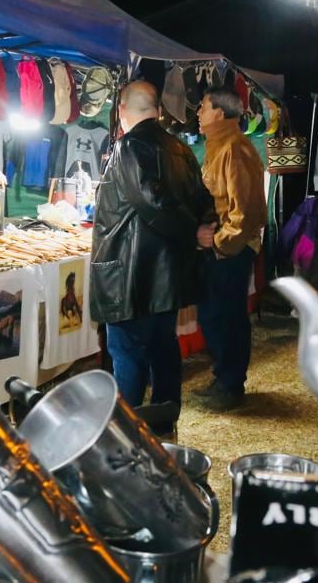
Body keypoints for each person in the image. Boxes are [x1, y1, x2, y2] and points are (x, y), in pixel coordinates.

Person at [90, 81, 215, 430]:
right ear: (157, 109)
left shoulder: (129, 146)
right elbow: (203, 201)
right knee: (163, 348)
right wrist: (198, 229)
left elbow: (153, 201)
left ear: (122, 111)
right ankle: (163, 423)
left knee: (128, 354)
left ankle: (128, 433)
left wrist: (193, 231)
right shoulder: (180, 148)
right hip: (166, 276)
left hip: (132, 276)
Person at [193, 89, 267, 410]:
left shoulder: (234, 148)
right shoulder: (219, 146)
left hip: (232, 249)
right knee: (217, 314)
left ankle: (230, 385)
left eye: (203, 107)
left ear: (219, 114)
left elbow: (247, 211)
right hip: (225, 246)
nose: (198, 113)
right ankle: (226, 378)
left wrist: (220, 242)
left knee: (225, 316)